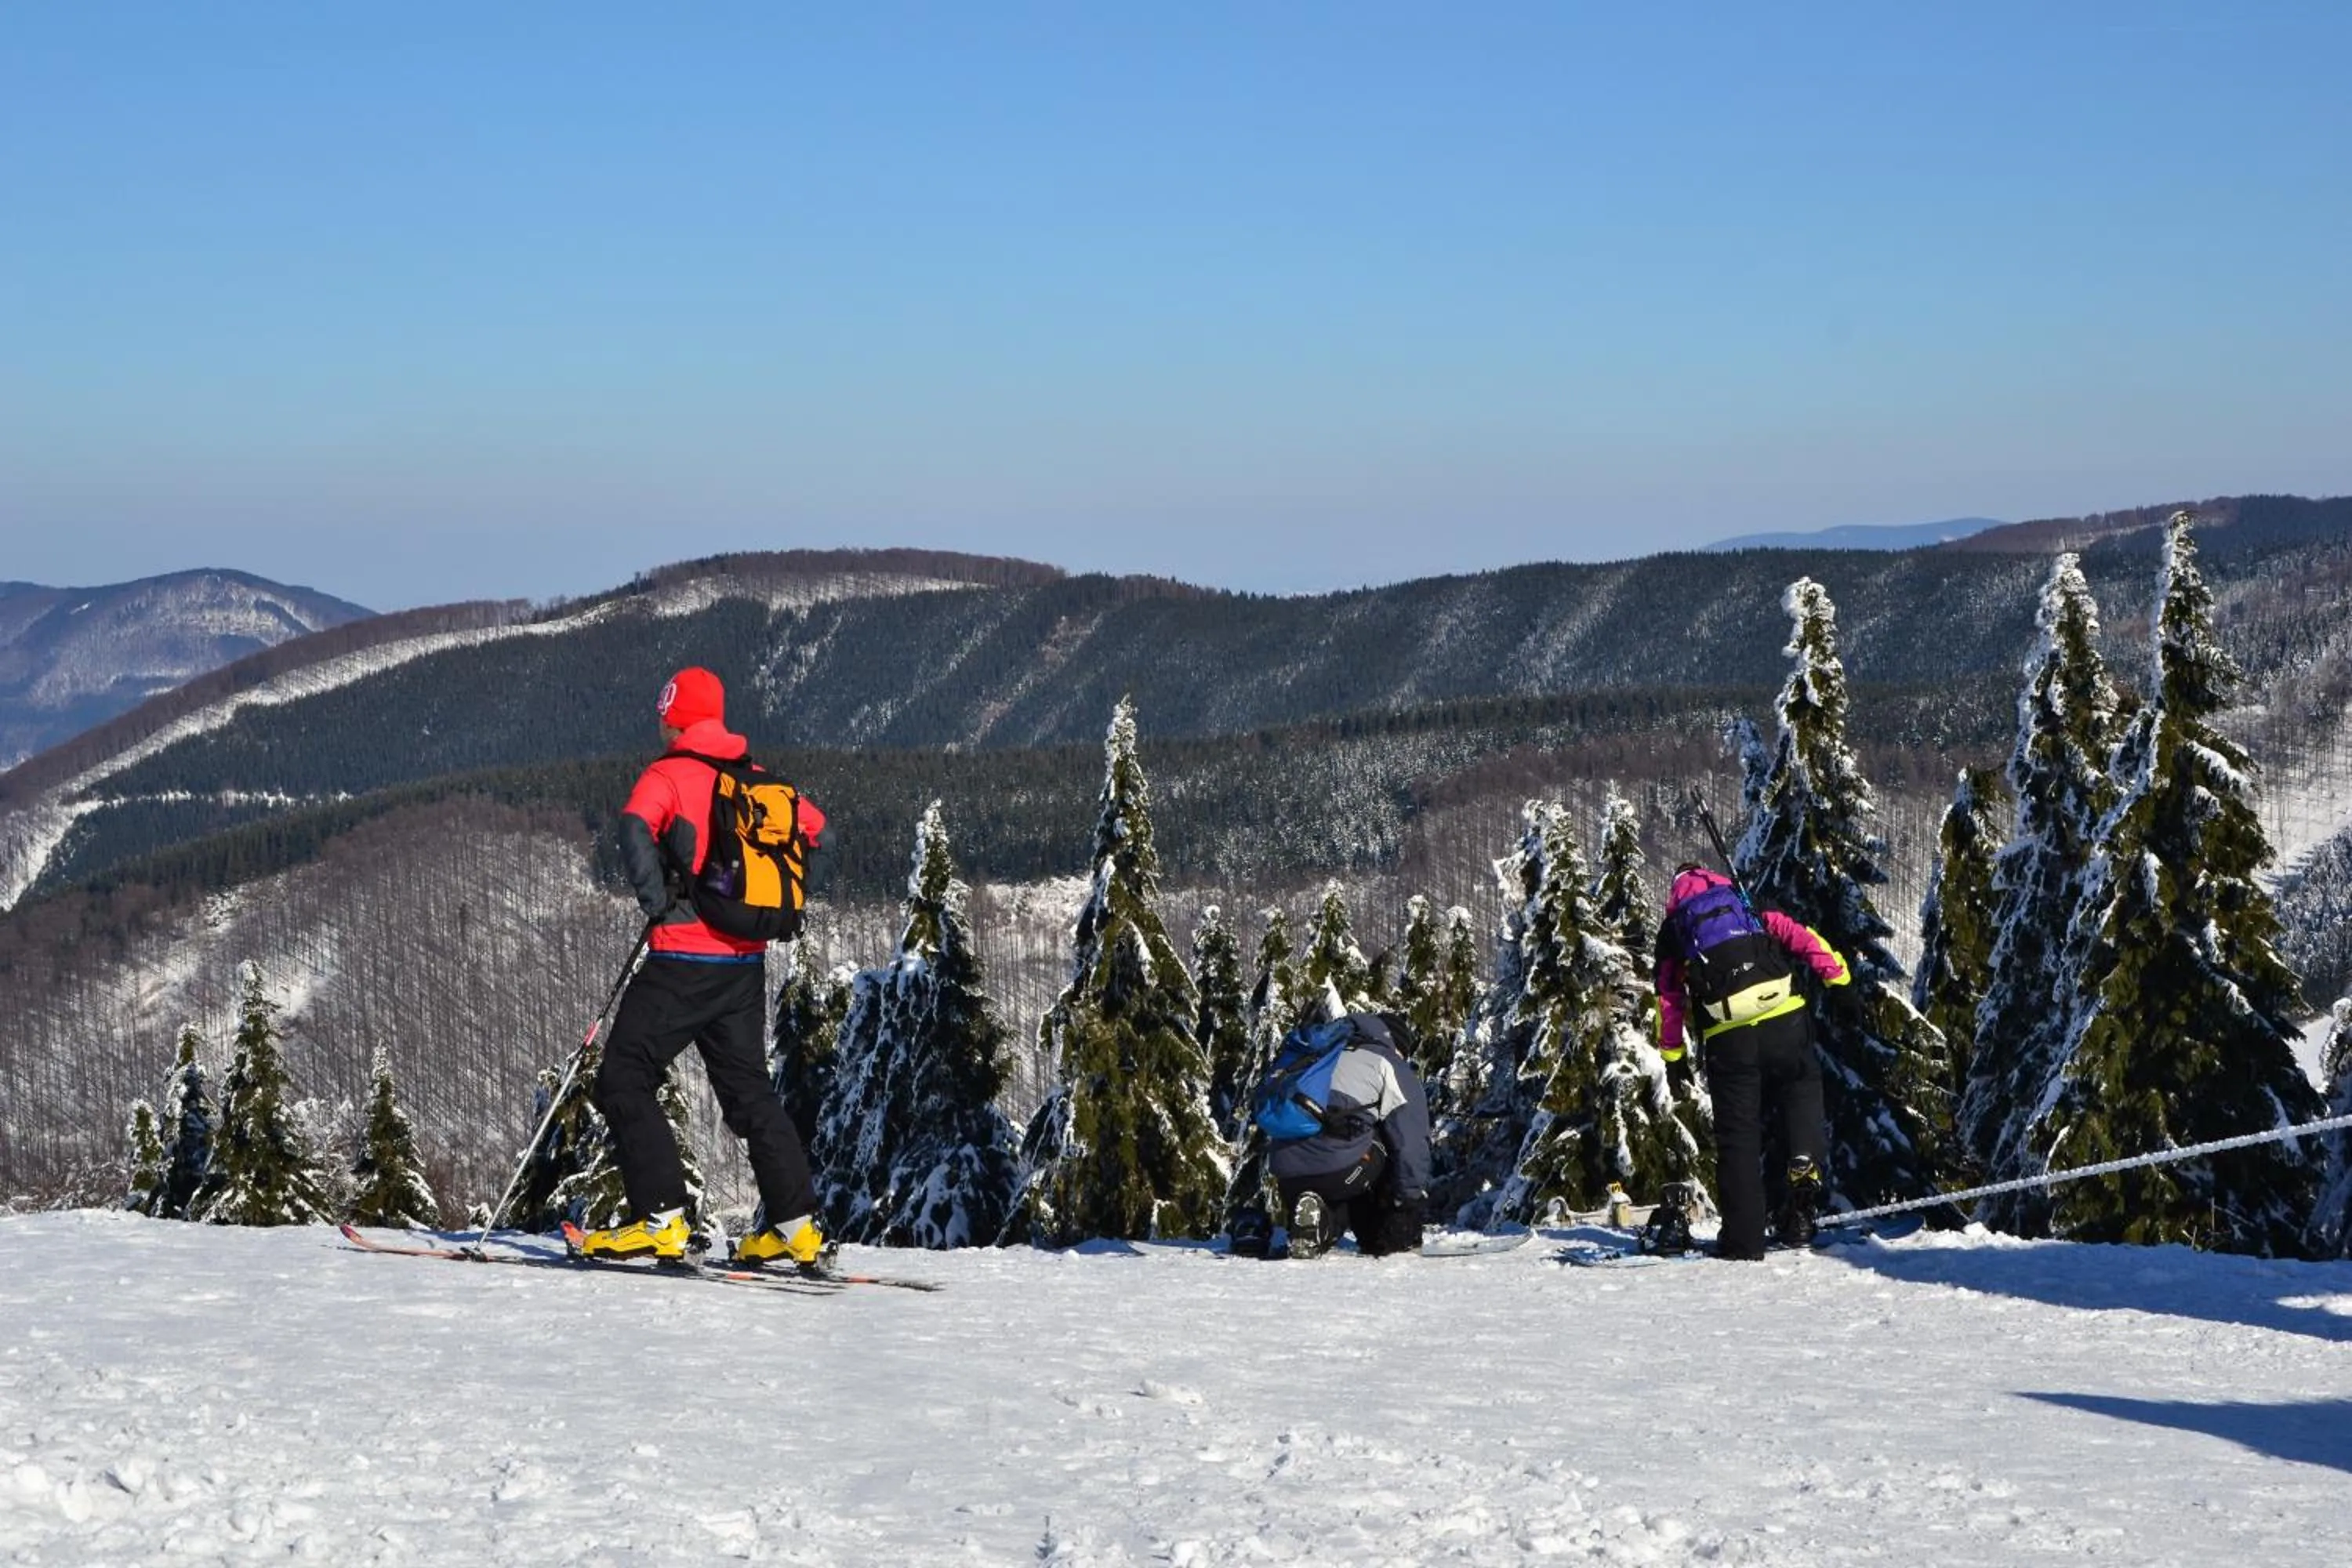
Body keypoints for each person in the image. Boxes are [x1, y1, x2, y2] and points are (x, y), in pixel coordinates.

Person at [579, 666, 829, 1267]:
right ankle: (797, 1228)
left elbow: (635, 825)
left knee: (624, 1076)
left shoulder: (668, 773)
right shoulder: (759, 779)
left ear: (678, 716)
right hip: (744, 967)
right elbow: (817, 830)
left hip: (681, 959)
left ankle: (661, 1219)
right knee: (749, 1095)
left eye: (665, 714)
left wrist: (659, 900)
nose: (660, 724)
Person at [1653, 863, 1849, 1261]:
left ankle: (1743, 1241)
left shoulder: (1676, 930)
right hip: (1785, 1019)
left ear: (1676, 897)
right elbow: (1801, 937)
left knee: (1738, 1137)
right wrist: (1838, 979)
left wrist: (1673, 1055)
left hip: (1730, 1039)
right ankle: (1803, 1163)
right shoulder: (1746, 901)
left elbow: (1668, 997)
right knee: (1801, 1088)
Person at [1264, 1012, 1432, 1260]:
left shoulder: (1322, 1055)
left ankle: (1317, 1226)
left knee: (1348, 1149)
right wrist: (1407, 1203)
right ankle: (1389, 1238)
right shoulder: (1388, 1063)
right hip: (1339, 1171)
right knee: (1383, 1140)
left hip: (1286, 1173)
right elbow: (1411, 1142)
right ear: (1396, 1045)